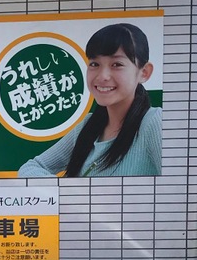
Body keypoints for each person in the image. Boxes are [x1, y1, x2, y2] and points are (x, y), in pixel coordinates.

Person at [18, 23, 162, 177]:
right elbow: (31, 168)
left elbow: (177, 184)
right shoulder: (88, 126)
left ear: (144, 72)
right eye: (94, 64)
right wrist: (68, 189)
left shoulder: (154, 123)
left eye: (117, 64)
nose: (102, 76)